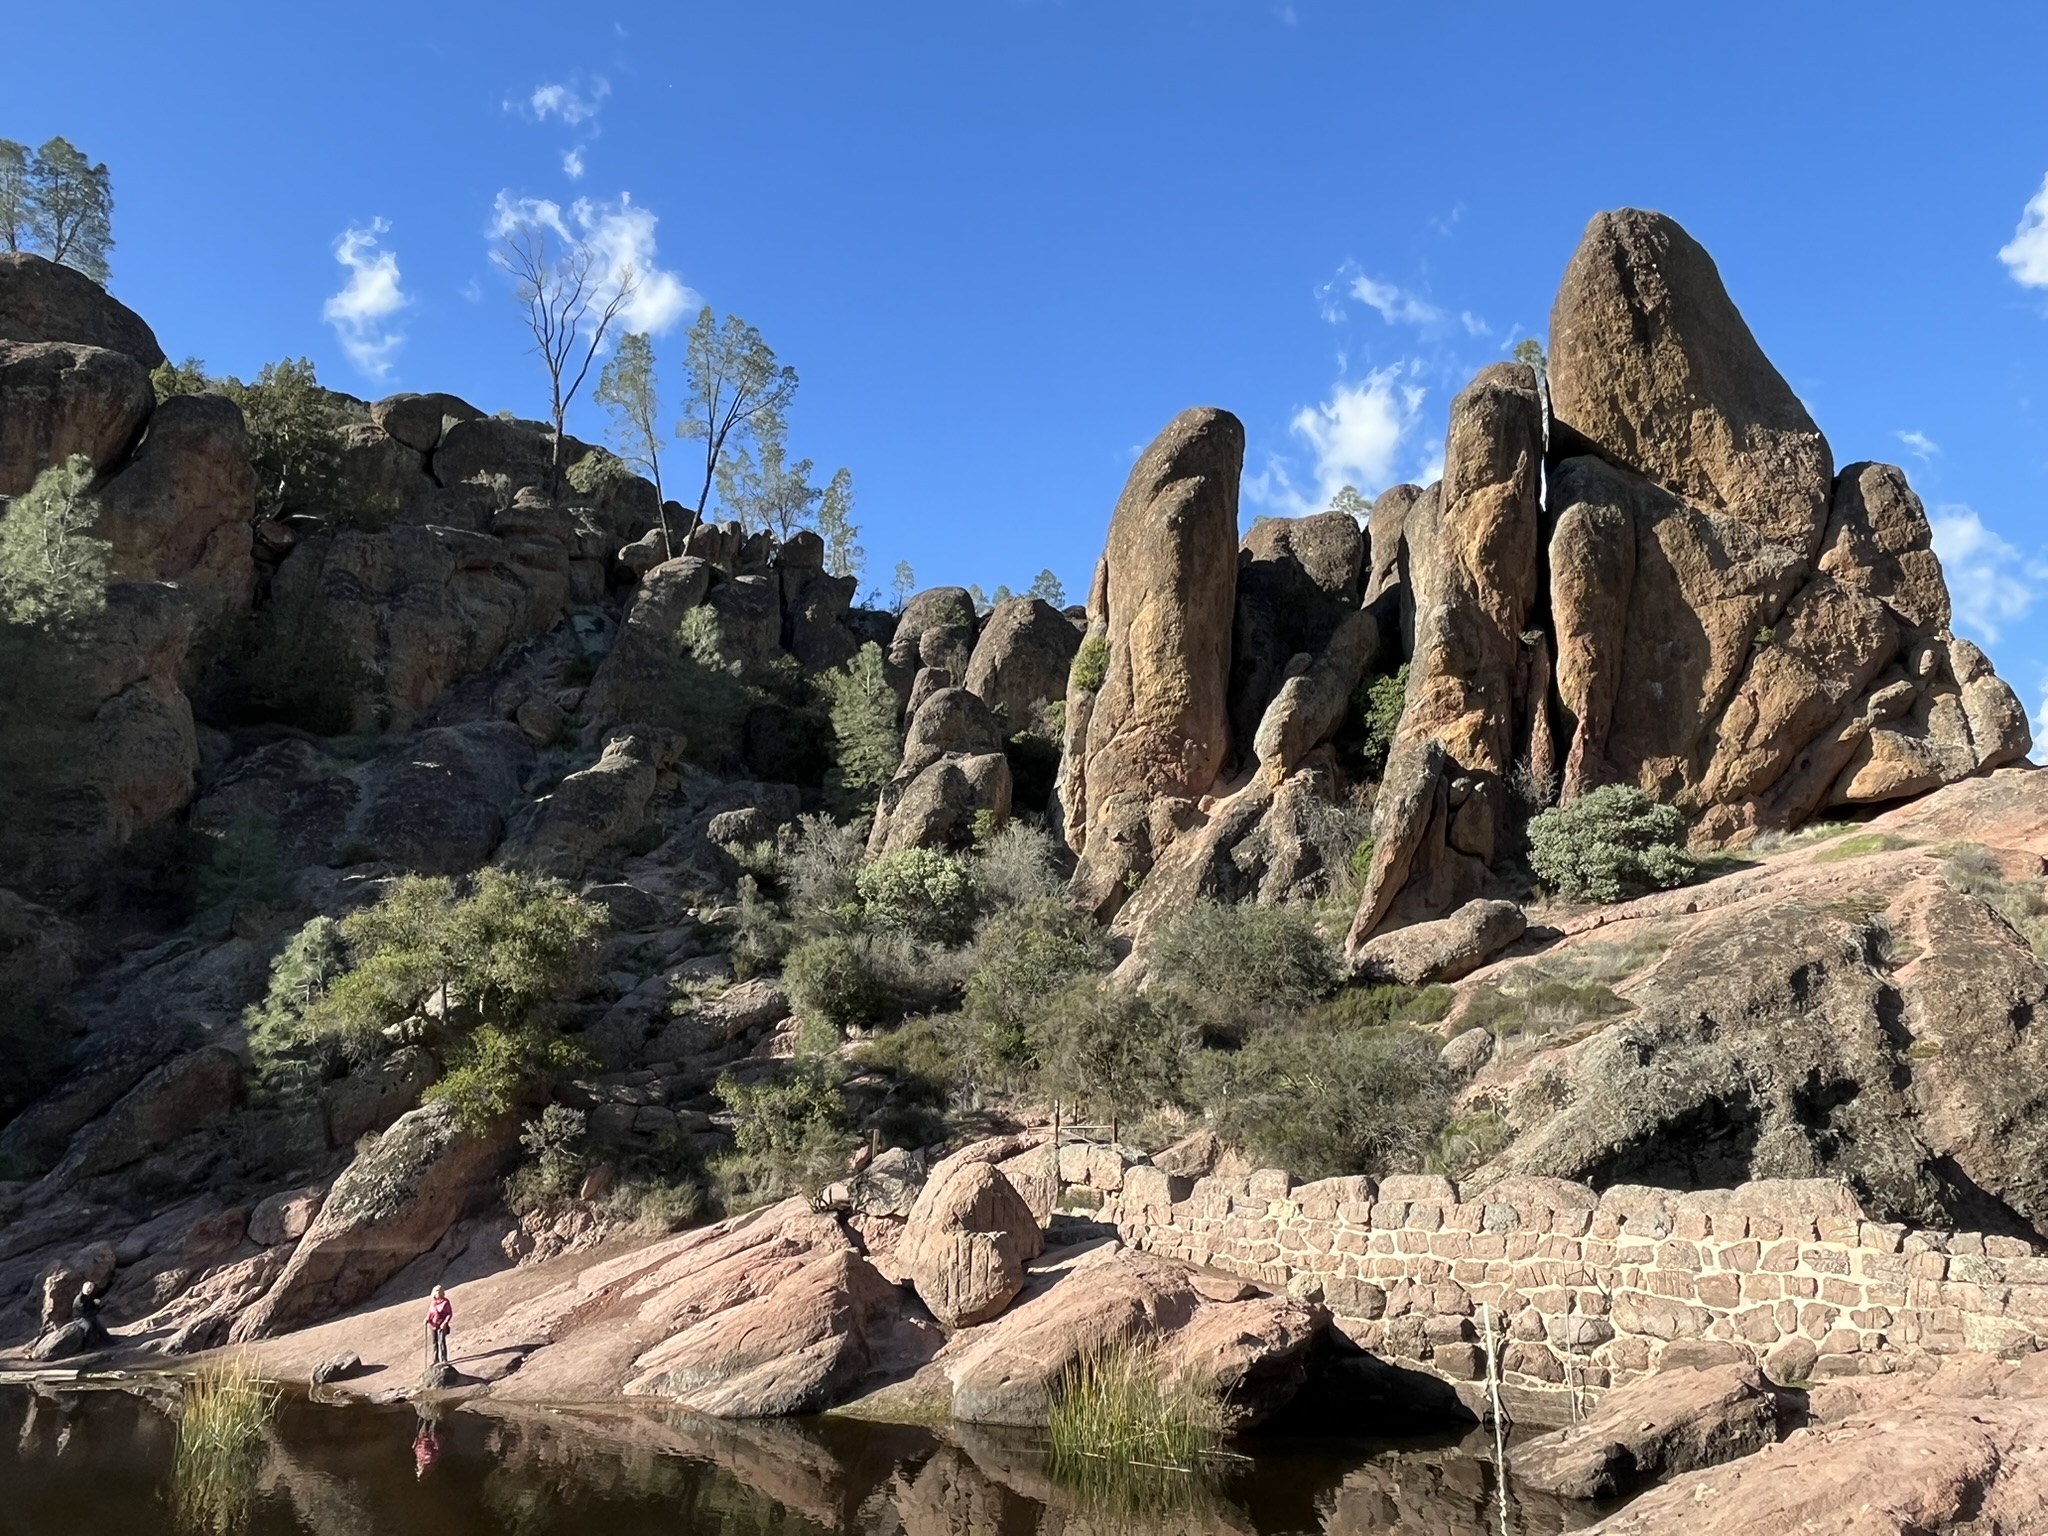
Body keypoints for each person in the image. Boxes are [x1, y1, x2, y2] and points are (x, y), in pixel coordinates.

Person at [73, 1282, 109, 1350]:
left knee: (99, 1326)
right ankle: (86, 1346)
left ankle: (109, 1342)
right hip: (80, 1318)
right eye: (87, 1288)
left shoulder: (88, 1297)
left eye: (90, 1288)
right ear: (83, 1288)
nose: (89, 1289)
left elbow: (90, 1307)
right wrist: (96, 1306)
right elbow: (85, 1310)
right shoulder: (80, 1299)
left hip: (88, 1316)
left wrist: (96, 1305)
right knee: (88, 1327)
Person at [424, 1284, 453, 1367]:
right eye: (437, 1291)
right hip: (433, 1325)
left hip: (441, 1325)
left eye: (440, 1291)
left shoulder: (445, 1302)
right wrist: (426, 1319)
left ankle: (444, 1359)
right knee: (434, 1343)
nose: (438, 1293)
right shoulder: (433, 1303)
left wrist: (445, 1323)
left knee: (441, 1342)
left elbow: (449, 1314)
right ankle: (435, 1359)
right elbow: (430, 1312)